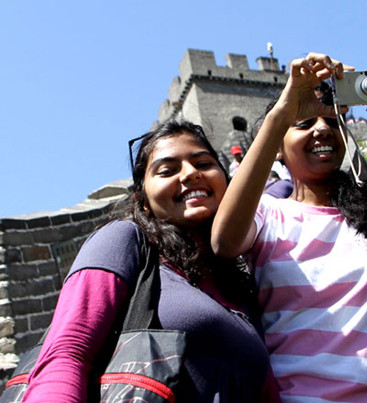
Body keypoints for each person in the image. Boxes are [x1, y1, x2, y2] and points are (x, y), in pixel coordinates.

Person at [211, 53, 367, 402]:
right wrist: (281, 113)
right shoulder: (267, 213)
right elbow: (224, 241)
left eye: (332, 122)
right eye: (304, 123)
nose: (321, 129)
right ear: (278, 148)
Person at [23, 119, 281, 402]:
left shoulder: (242, 285)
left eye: (204, 164)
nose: (191, 174)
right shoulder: (125, 241)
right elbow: (66, 354)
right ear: (142, 199)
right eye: (168, 170)